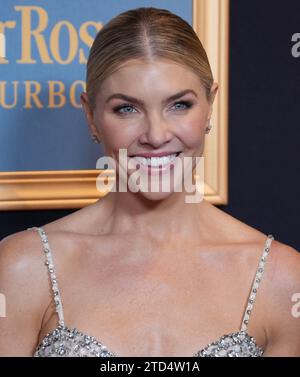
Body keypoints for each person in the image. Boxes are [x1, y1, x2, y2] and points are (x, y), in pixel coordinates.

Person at [0, 7, 299, 357]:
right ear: (91, 116)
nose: (156, 136)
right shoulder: (24, 267)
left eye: (180, 105)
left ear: (210, 105)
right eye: (127, 109)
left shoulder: (280, 278)